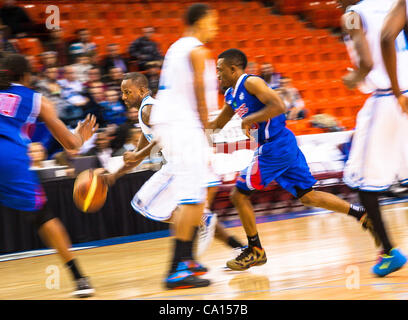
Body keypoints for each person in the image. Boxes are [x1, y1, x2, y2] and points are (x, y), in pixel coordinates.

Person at [210, 48, 379, 271]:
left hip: (275, 147)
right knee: (308, 196)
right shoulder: (231, 94)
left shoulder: (250, 82)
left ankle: (255, 250)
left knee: (238, 195)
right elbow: (217, 125)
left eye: (220, 70)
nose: (218, 75)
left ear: (234, 69)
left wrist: (249, 119)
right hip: (281, 146)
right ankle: (361, 214)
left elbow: (279, 105)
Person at [103, 72, 244, 281]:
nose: (123, 97)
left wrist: (137, 155)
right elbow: (138, 155)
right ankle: (237, 248)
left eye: (127, 92)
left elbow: (158, 141)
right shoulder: (148, 111)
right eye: (122, 92)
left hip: (184, 162)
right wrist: (114, 175)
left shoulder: (149, 109)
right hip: (188, 161)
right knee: (188, 214)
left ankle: (195, 239)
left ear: (142, 91)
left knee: (143, 203)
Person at [0, 54, 98, 297]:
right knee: (42, 216)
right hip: (8, 158)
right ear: (26, 76)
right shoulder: (36, 99)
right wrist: (81, 136)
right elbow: (71, 144)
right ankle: (80, 279)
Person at [149, 4, 221, 289]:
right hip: (183, 125)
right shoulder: (197, 50)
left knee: (200, 191)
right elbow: (201, 99)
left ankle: (188, 258)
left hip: (170, 123)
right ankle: (177, 269)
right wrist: (208, 134)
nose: (216, 28)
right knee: (191, 197)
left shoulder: (176, 47)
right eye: (213, 22)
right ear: (201, 21)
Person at [339, 0, 408, 277]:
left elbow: (367, 62)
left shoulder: (352, 16)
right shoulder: (392, 3)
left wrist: (353, 78)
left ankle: (389, 252)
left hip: (388, 99)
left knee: (365, 185)